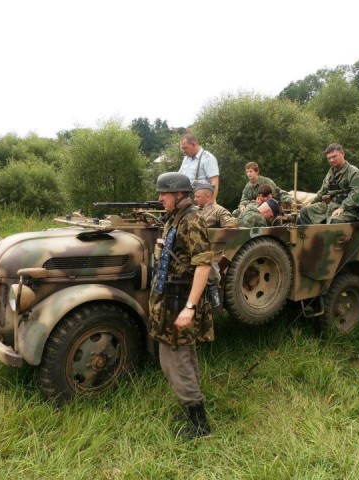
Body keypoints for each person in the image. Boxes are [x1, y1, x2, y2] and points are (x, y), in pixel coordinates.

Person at [149, 172, 214, 439]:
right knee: (183, 357)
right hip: (171, 299)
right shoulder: (177, 218)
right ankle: (192, 409)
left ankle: (199, 424)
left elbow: (203, 264)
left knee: (175, 361)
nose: (160, 198)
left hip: (180, 301)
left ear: (178, 195)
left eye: (163, 193)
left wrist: (189, 307)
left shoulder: (191, 221)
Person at [298, 143, 359, 225]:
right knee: (305, 211)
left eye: (334, 157)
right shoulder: (331, 173)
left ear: (342, 154)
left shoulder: (353, 171)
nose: (331, 160)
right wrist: (311, 203)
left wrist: (342, 208)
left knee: (334, 221)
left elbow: (358, 193)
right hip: (331, 205)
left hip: (350, 209)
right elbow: (322, 191)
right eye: (329, 158)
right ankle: (311, 233)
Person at [178, 134, 220, 200]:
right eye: (182, 149)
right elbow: (179, 176)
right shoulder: (186, 158)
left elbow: (214, 181)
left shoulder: (208, 158)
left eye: (185, 148)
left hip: (202, 199)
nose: (183, 152)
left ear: (193, 144)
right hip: (186, 198)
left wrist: (211, 202)